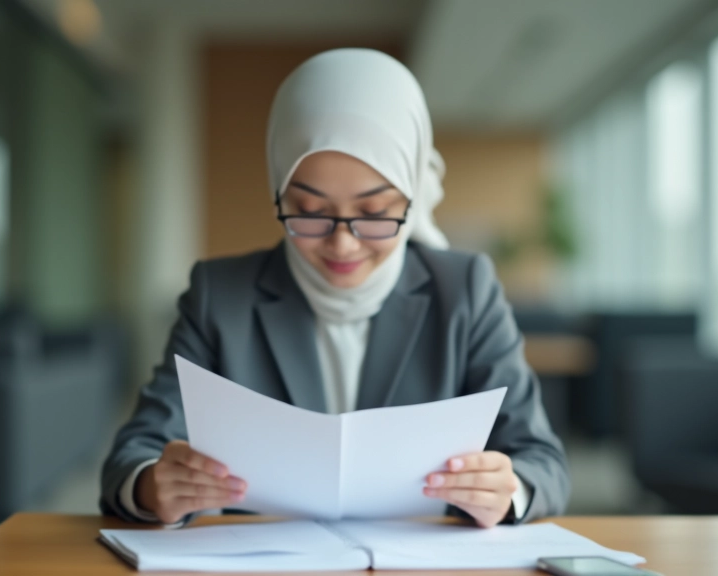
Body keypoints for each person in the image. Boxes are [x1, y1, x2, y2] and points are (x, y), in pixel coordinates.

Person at [100, 48, 569, 529]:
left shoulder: (465, 291)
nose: (343, 243)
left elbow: (543, 461)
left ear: (411, 195)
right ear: (278, 192)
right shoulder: (221, 296)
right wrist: (152, 486)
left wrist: (511, 491)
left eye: (373, 213)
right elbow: (134, 453)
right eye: (309, 211)